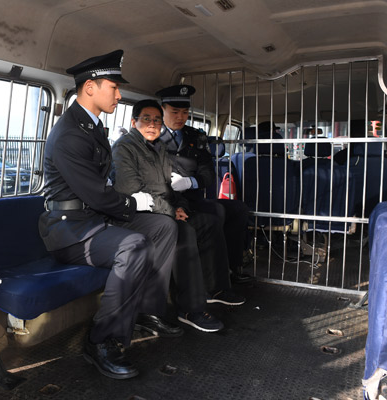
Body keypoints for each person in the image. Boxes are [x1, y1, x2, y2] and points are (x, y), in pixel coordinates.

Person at [38, 50, 182, 380]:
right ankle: (101, 340)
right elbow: (94, 192)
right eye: (114, 87)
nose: (118, 95)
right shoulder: (70, 133)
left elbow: (100, 191)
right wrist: (133, 203)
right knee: (133, 246)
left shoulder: (90, 127)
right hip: (69, 230)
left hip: (94, 218)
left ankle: (148, 311)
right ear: (90, 87)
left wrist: (137, 204)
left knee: (163, 227)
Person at [112, 99, 245, 333]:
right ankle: (191, 308)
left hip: (162, 209)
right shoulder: (124, 148)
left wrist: (181, 206)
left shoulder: (158, 148)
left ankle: (215, 288)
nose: (152, 124)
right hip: (134, 214)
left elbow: (170, 186)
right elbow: (131, 189)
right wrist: (171, 210)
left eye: (156, 120)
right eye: (146, 119)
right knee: (182, 231)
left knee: (206, 221)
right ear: (133, 122)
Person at [156, 84, 253, 284]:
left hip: (194, 198)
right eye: (175, 111)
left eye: (185, 112)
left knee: (238, 209)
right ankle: (210, 278)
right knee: (216, 212)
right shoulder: (152, 137)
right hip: (168, 200)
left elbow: (208, 174)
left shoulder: (196, 137)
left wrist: (190, 182)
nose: (180, 117)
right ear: (162, 109)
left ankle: (232, 267)